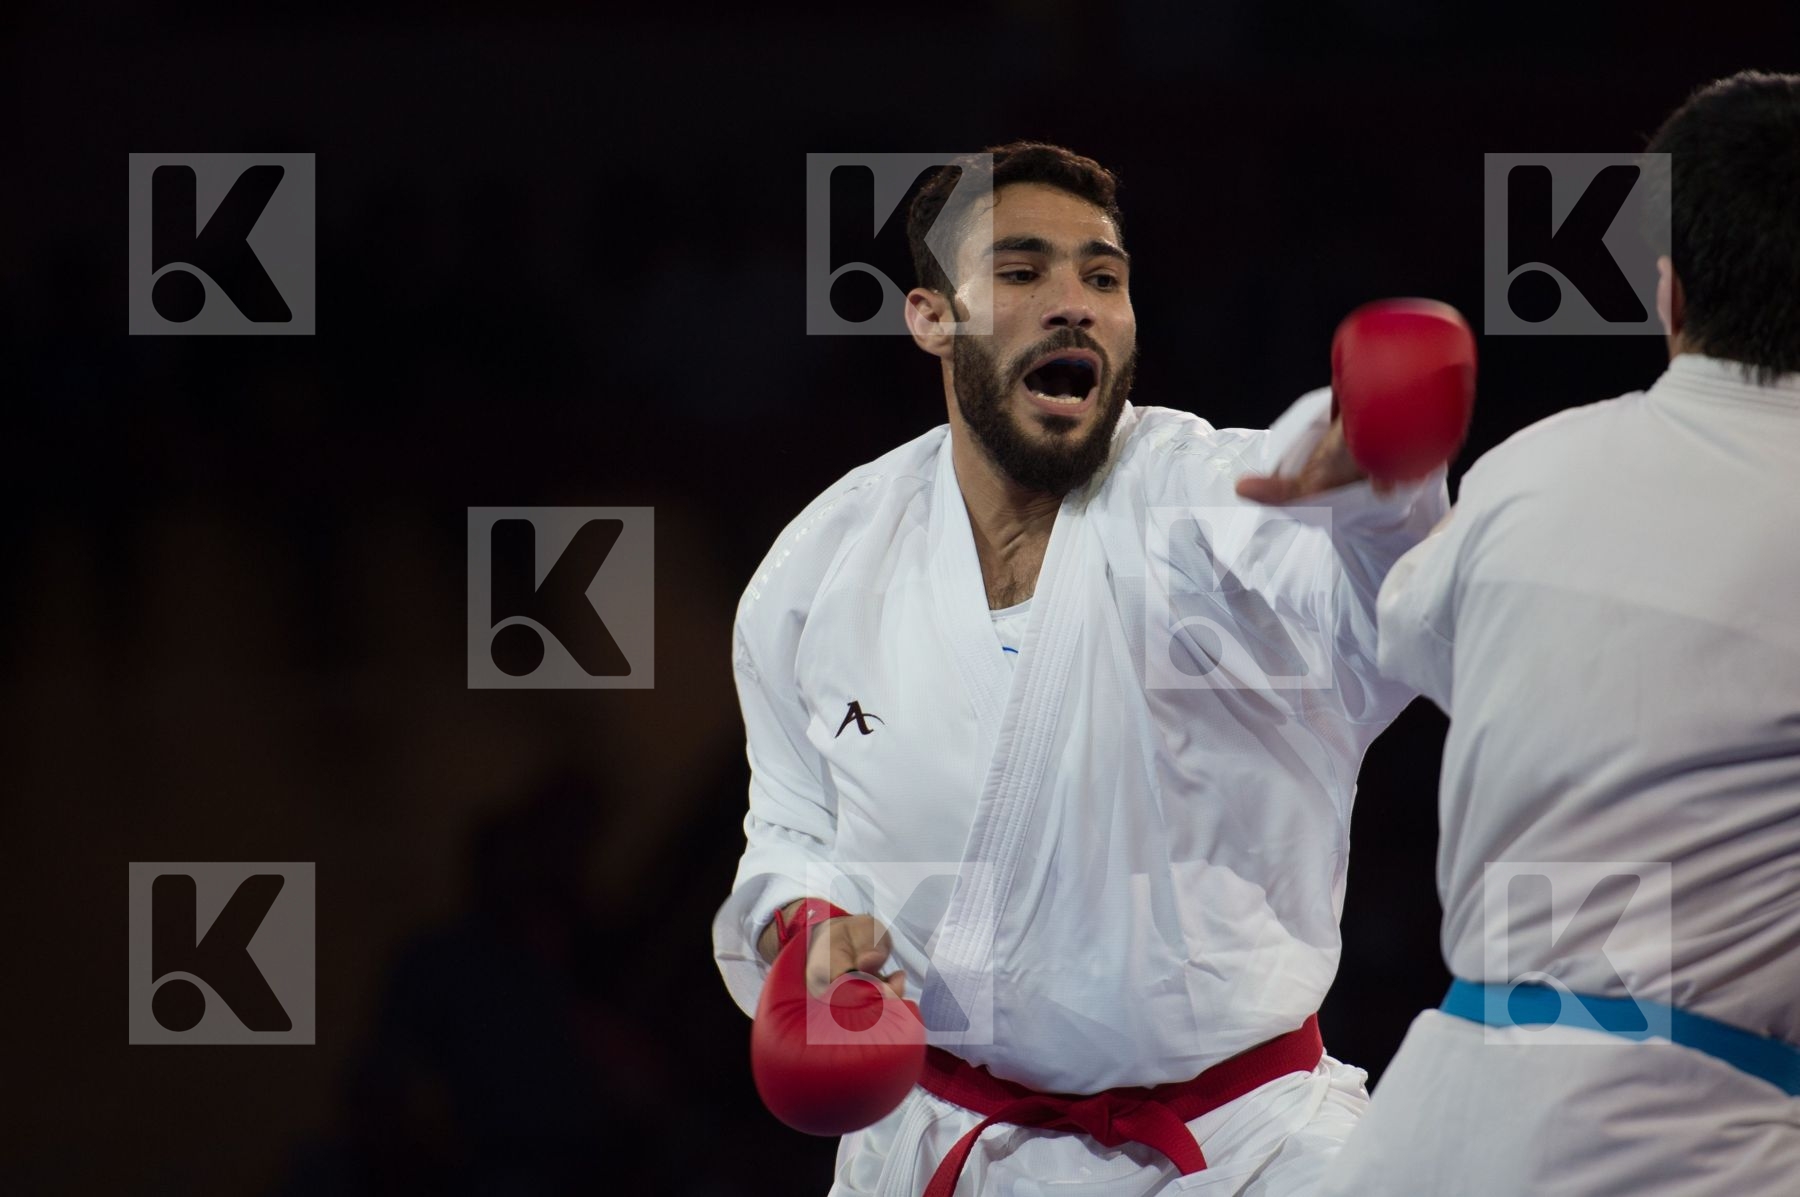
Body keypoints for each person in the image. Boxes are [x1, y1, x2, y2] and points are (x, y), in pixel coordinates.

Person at [713, 141, 1450, 1195]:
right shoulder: (819, 569)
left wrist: (1376, 480)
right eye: (1022, 273)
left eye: (1103, 277)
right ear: (930, 314)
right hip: (939, 1145)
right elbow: (791, 829)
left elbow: (1365, 587)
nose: (1075, 303)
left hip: (1248, 1155)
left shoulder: (1207, 509)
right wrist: (809, 932)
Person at [1322, 71, 1800, 1196]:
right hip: (1691, 1143)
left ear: (1668, 295)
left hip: (1431, 1129)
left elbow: (1420, 651)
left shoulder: (1527, 471)